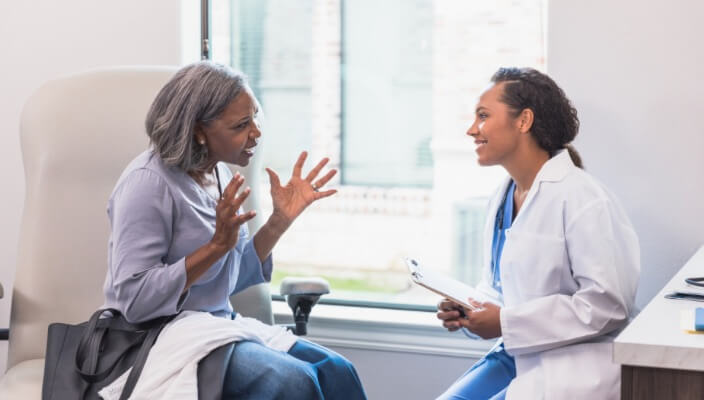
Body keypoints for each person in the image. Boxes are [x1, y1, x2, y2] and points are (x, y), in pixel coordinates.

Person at [101, 61, 367, 399]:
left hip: (214, 325)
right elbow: (135, 301)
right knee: (294, 382)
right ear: (198, 131)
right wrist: (215, 247)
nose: (256, 132)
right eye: (241, 125)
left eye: (254, 116)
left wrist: (277, 222)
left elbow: (226, 279)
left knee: (337, 371)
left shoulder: (218, 173)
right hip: (155, 336)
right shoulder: (147, 183)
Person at [435, 67, 640, 399]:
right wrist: (471, 311)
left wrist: (505, 322)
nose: (472, 130)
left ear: (523, 121)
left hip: (573, 363)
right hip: (516, 354)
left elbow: (608, 306)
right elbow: (505, 290)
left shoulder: (583, 198)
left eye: (483, 116)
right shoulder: (503, 196)